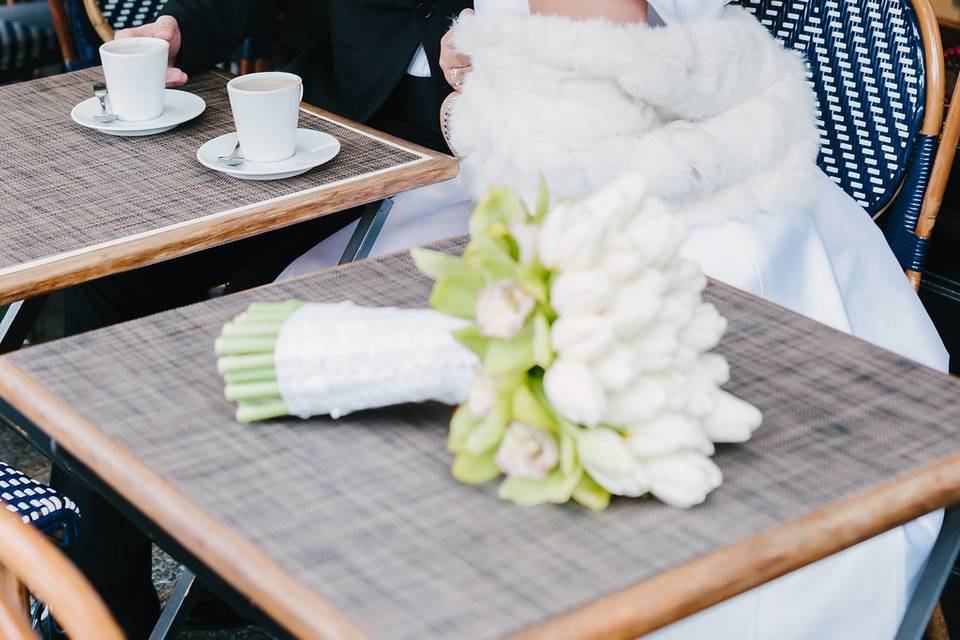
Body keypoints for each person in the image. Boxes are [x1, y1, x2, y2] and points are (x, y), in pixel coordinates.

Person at [278, 1, 949, 638]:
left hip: (644, 217)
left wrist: (467, 108)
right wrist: (486, 52)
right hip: (662, 174)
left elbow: (595, 119)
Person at [54, 3, 471, 637]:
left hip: (472, 153)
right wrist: (178, 31)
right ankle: (94, 606)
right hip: (329, 122)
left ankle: (244, 579)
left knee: (269, 315)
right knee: (110, 281)